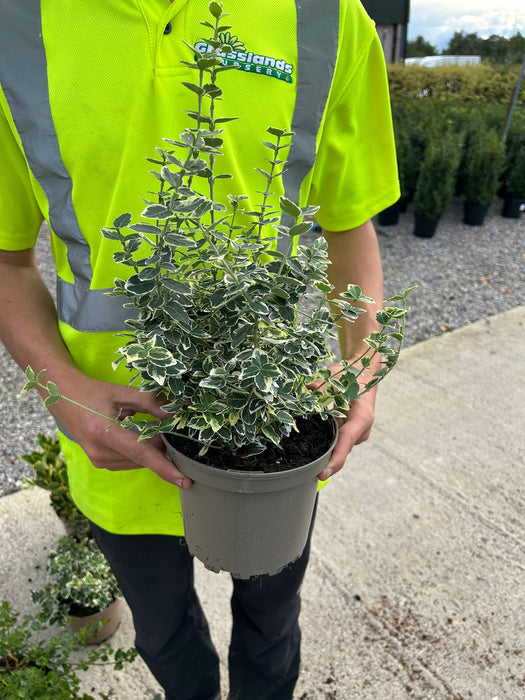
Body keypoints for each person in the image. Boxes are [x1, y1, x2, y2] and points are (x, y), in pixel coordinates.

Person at [0, 1, 399, 698]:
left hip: (275, 433)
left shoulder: (326, 17)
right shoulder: (14, 24)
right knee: (163, 633)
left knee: (270, 626)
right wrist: (61, 391)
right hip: (114, 440)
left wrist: (363, 371)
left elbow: (349, 224)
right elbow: (6, 261)